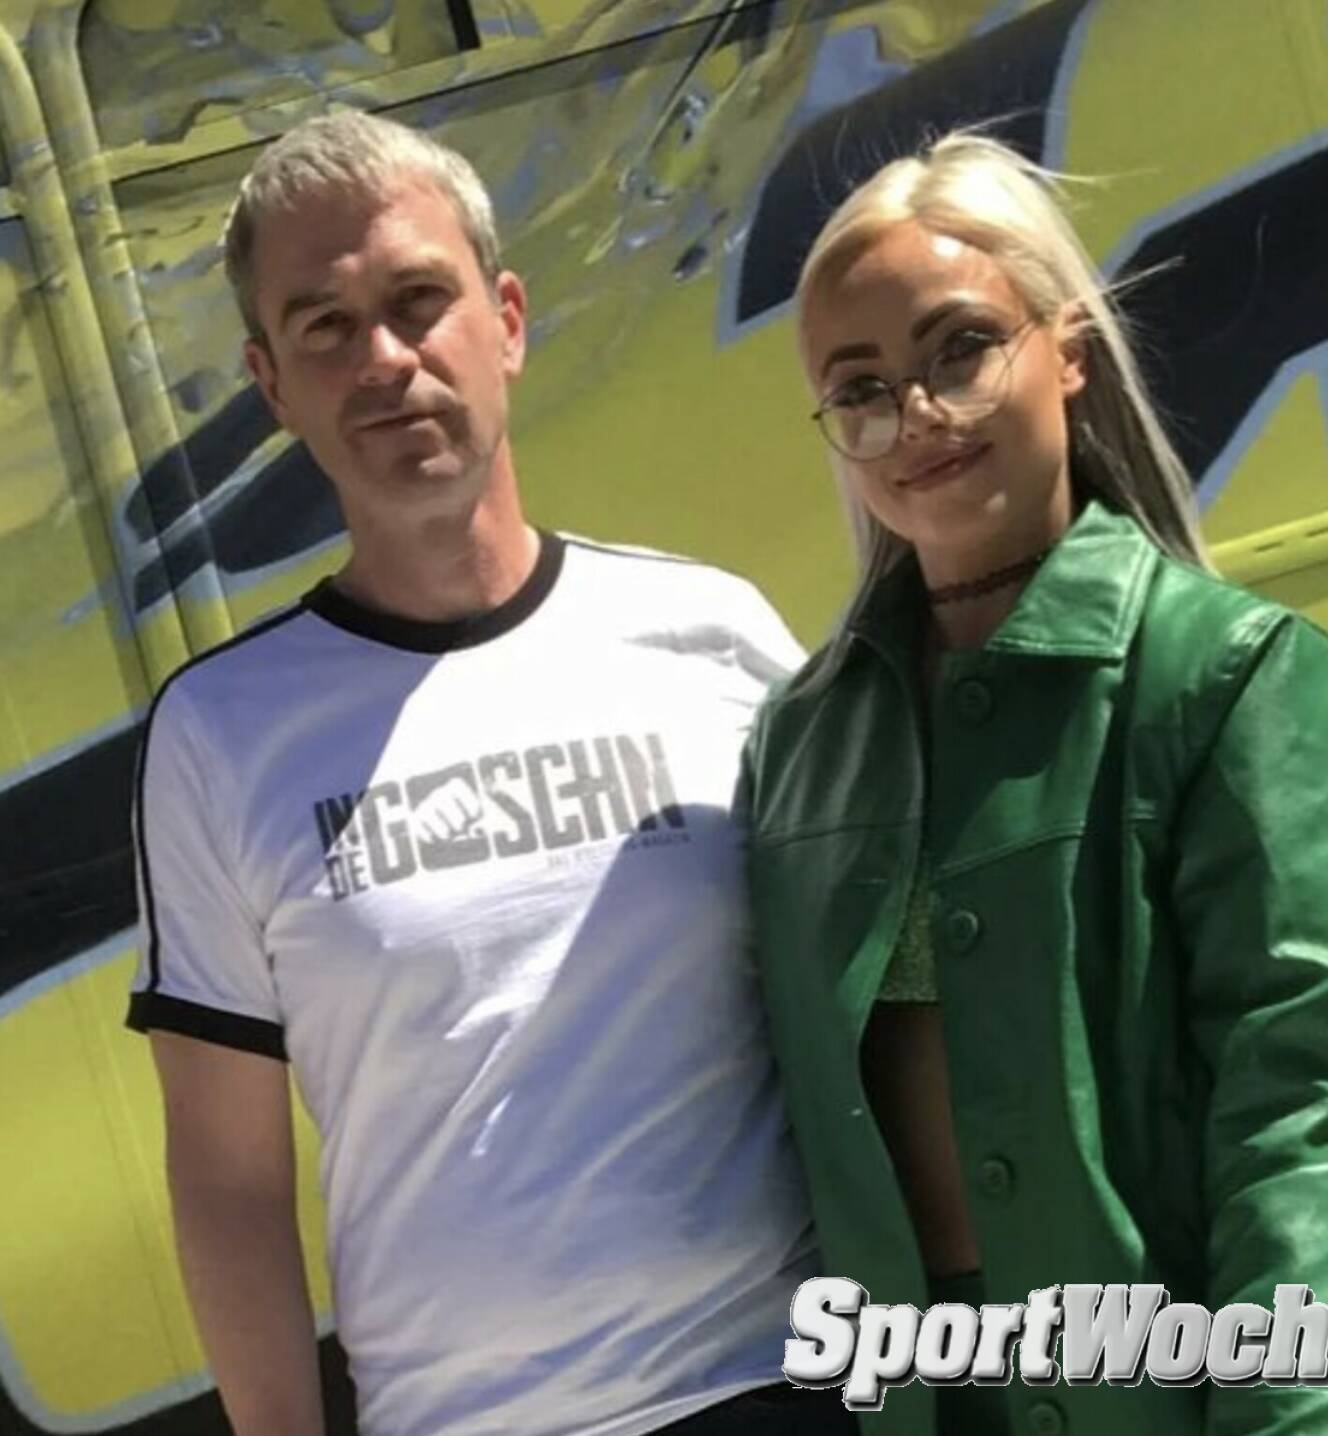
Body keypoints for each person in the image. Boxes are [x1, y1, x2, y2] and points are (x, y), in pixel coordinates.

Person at [126, 110, 853, 1436]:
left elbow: (878, 1003)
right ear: (271, 387)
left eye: (419, 300)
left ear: (506, 320)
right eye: (325, 326)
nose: (384, 360)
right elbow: (229, 1184)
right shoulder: (219, 735)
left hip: (782, 1387)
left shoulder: (713, 634)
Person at [742, 131, 1328, 1435]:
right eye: (862, 388)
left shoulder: (1226, 672)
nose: (917, 415)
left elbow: (1293, 1116)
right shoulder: (799, 747)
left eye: (961, 348)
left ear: (1066, 348)